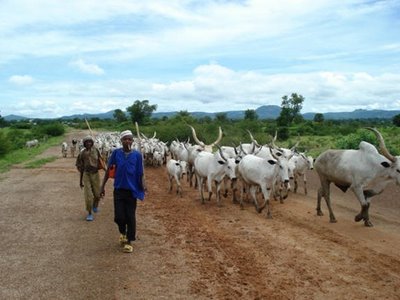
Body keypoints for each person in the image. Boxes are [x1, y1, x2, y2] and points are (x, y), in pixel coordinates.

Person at [100, 130, 146, 253]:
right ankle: (123, 232)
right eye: (125, 139)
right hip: (119, 189)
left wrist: (143, 186)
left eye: (130, 139)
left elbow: (140, 173)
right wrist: (102, 186)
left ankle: (129, 241)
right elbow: (108, 170)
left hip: (132, 190)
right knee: (119, 217)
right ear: (121, 141)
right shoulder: (116, 153)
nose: (127, 141)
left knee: (130, 216)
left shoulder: (137, 155)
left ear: (132, 141)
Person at [75, 136, 102, 221]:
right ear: (84, 144)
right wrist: (80, 181)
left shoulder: (96, 151)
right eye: (86, 142)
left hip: (95, 174)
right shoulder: (82, 154)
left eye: (90, 142)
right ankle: (89, 213)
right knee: (88, 196)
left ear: (92, 143)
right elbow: (81, 167)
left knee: (97, 194)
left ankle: (95, 205)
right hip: (86, 175)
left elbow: (101, 161)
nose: (88, 144)